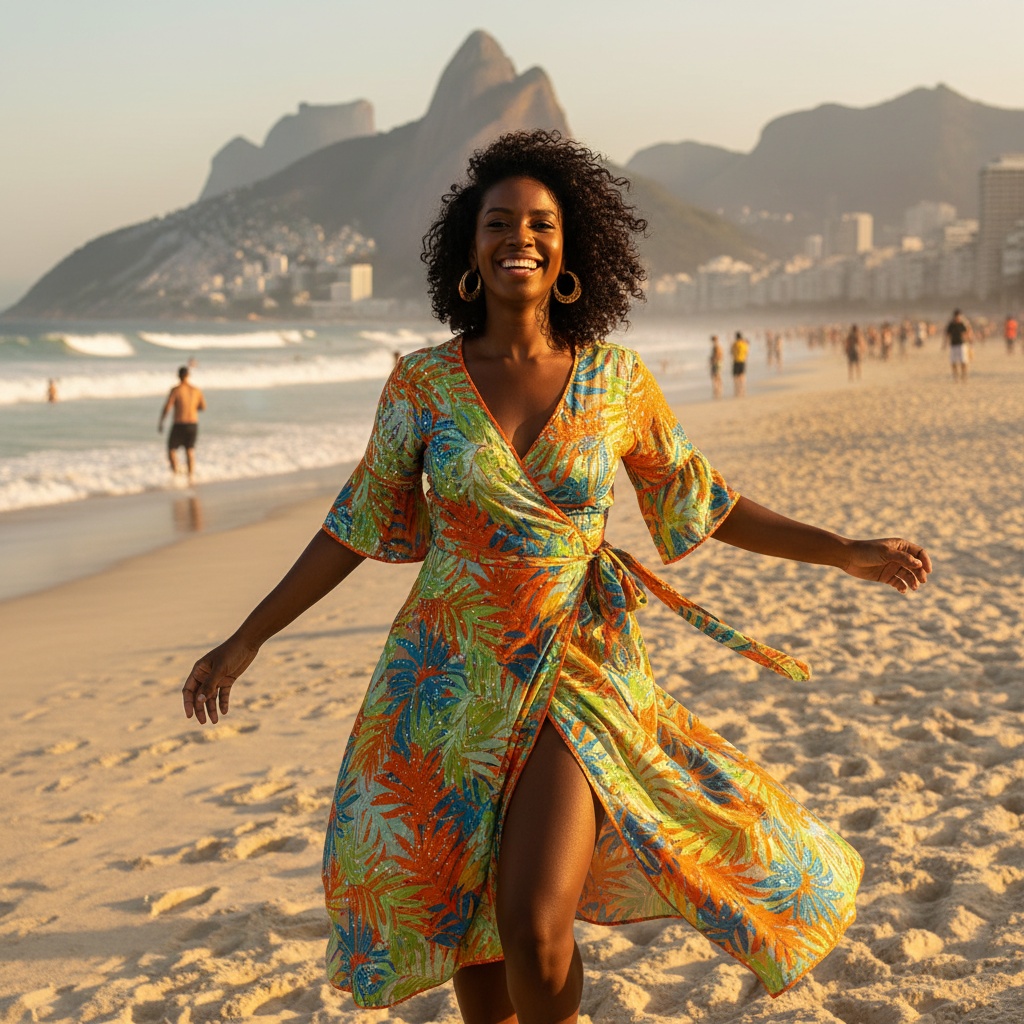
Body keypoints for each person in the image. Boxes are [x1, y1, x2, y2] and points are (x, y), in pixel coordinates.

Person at [181, 130, 931, 1023]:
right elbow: (354, 527)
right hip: (447, 680)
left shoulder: (616, 380)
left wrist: (842, 549)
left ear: (571, 247)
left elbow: (709, 502)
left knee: (535, 926)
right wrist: (245, 640)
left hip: (575, 669)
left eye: (541, 223)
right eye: (499, 223)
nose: (520, 238)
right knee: (473, 926)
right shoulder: (421, 387)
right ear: (472, 245)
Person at [158, 365, 206, 482]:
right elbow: (203, 407)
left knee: (171, 449)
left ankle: (175, 474)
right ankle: (190, 477)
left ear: (178, 376)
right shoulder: (196, 390)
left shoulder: (176, 390)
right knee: (189, 450)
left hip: (179, 423)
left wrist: (161, 421)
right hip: (193, 424)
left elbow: (168, 406)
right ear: (188, 376)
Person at [943, 308, 973, 382]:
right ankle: (955, 376)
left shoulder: (963, 323)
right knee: (953, 362)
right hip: (953, 344)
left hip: (962, 344)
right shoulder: (951, 324)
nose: (957, 318)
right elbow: (947, 334)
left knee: (963, 361)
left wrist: (969, 340)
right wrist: (944, 343)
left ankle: (964, 375)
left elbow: (968, 331)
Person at [730, 330, 749, 396]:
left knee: (736, 376)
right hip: (742, 360)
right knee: (742, 375)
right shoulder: (744, 344)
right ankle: (743, 387)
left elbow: (731, 352)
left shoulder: (734, 344)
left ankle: (737, 388)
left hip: (736, 361)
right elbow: (746, 352)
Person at [709, 334, 723, 399]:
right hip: (719, 363)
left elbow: (717, 355)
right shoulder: (719, 346)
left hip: (716, 363)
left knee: (715, 376)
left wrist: (712, 360)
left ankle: (717, 389)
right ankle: (718, 389)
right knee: (717, 376)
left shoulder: (716, 346)